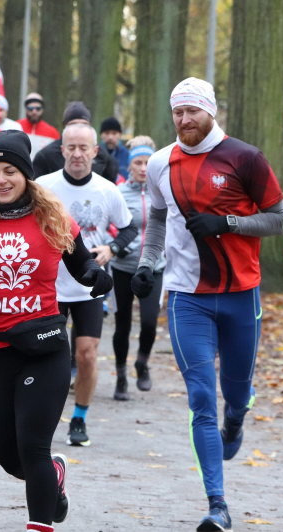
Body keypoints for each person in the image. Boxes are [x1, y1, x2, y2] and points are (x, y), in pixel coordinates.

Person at [0, 130, 113, 532]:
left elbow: (81, 263)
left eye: (9, 171)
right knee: (9, 457)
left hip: (43, 348)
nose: (0, 180)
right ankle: (55, 477)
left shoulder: (53, 218)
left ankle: (39, 524)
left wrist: (95, 277)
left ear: (25, 175)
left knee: (33, 447)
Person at [131, 77, 283, 532]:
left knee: (233, 394)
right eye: (177, 112)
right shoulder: (161, 162)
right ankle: (217, 505)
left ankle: (237, 418)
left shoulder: (245, 158)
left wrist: (228, 223)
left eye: (192, 112)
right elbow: (158, 220)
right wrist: (148, 263)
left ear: (210, 112)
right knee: (201, 398)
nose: (183, 121)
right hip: (186, 298)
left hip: (241, 296)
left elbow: (278, 220)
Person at [37, 123, 138, 448]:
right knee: (47, 358)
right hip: (49, 285)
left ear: (95, 152)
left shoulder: (108, 190)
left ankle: (79, 417)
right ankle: (42, 420)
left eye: (84, 148)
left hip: (88, 287)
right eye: (72, 148)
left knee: (87, 355)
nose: (78, 154)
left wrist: (111, 249)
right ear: (62, 150)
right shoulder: (42, 188)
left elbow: (128, 230)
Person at [109, 136, 165, 401]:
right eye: (138, 163)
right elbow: (111, 225)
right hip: (123, 267)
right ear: (129, 166)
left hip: (154, 267)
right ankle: (120, 376)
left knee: (150, 322)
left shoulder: (162, 192)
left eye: (148, 163)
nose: (143, 168)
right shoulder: (119, 193)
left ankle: (141, 364)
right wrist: (121, 247)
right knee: (122, 325)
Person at [32, 102, 119, 183]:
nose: (78, 128)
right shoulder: (45, 155)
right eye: (73, 124)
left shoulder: (103, 155)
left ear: (94, 152)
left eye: (84, 125)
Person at [18, 93, 60, 158]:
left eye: (38, 108)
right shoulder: (16, 127)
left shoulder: (52, 132)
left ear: (42, 110)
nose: (34, 112)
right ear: (26, 109)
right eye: (30, 108)